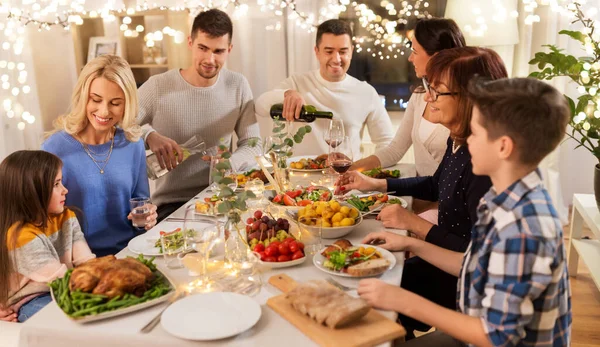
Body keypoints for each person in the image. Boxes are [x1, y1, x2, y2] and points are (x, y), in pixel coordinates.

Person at [358, 77, 572, 346]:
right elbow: (473, 265)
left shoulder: (522, 228)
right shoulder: (501, 197)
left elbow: (495, 336)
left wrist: (403, 300)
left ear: (503, 146)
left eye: (476, 132)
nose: (467, 141)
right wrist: (410, 242)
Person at [336, 47, 508, 338]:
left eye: (437, 91)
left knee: (368, 290)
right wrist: (378, 184)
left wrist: (413, 225)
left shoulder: (482, 163)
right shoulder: (458, 141)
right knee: (368, 276)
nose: (428, 98)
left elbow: (474, 255)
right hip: (448, 261)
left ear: (469, 96)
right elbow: (434, 183)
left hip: (464, 286)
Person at [137, 9, 262, 222]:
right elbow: (120, 124)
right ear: (190, 43)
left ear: (229, 49)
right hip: (171, 203)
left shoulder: (237, 85)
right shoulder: (158, 86)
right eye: (202, 48)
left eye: (218, 51)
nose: (209, 59)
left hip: (221, 195)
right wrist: (148, 135)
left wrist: (230, 163)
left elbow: (253, 143)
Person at [43, 55, 157, 257]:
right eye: (96, 100)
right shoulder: (54, 148)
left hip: (129, 252)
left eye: (115, 103)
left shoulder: (133, 144)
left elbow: (140, 203)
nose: (104, 111)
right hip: (79, 261)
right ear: (83, 96)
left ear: (127, 104)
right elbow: (44, 220)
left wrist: (147, 215)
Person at [255, 19, 394, 159]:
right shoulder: (297, 83)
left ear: (351, 51)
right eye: (329, 51)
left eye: (343, 51)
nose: (336, 59)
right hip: (301, 175)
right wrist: (288, 94)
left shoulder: (366, 92)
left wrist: (366, 171)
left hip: (346, 176)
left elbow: (386, 141)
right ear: (317, 51)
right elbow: (260, 106)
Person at [352, 18, 465, 176]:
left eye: (415, 52)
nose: (410, 58)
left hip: (444, 199)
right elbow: (395, 150)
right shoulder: (419, 96)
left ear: (437, 57)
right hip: (421, 194)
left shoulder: (466, 103)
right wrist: (351, 168)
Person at [0, 151, 95, 323]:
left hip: (65, 287)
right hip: (32, 301)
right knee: (75, 318)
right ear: (31, 192)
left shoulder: (66, 217)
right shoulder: (21, 236)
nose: (65, 190)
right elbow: (62, 280)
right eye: (56, 184)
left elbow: (86, 262)